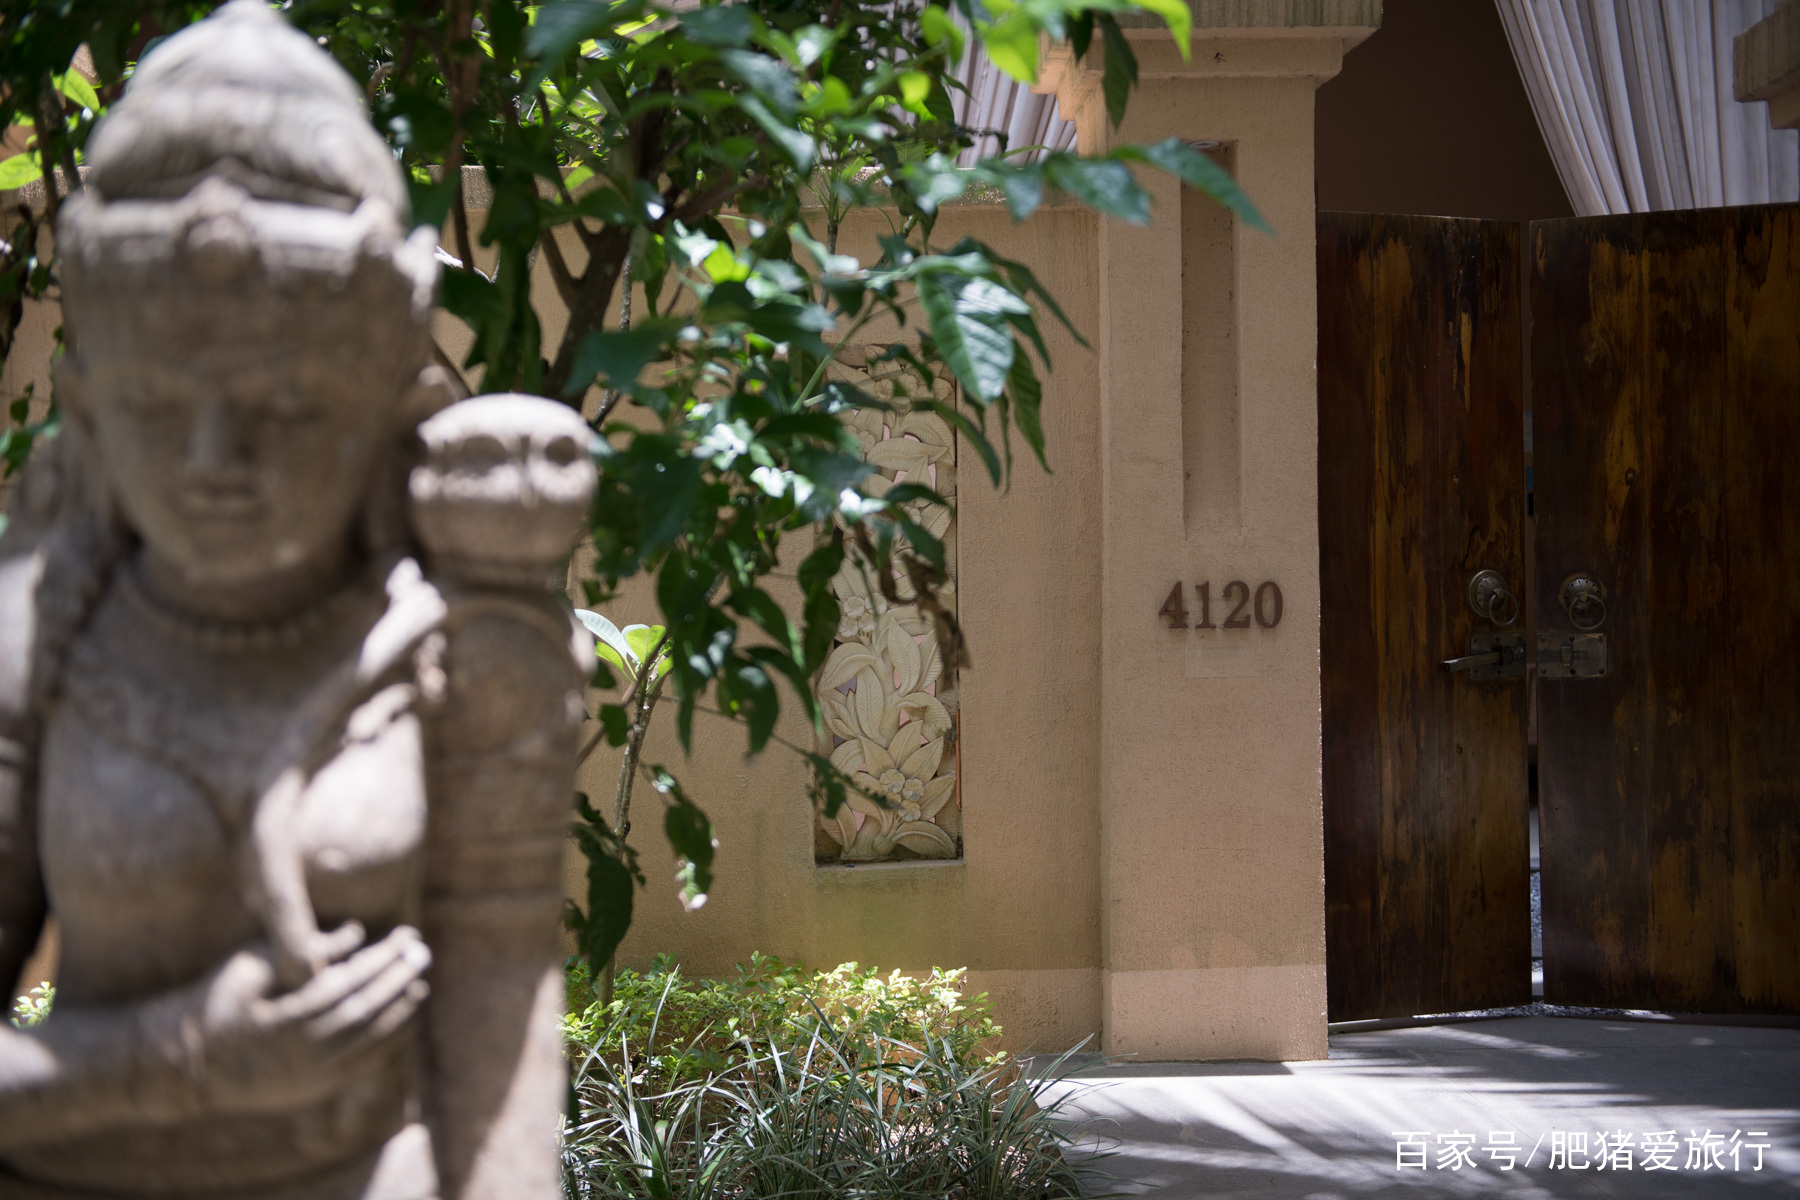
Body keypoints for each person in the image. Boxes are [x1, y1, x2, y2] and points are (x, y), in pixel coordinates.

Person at [0, 5, 587, 1195]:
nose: (218, 458)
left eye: (287, 406)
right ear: (92, 401)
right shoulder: (37, 631)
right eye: (164, 408)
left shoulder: (453, 648)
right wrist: (183, 1063)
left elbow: (499, 1019)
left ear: (385, 393)